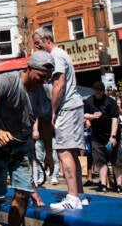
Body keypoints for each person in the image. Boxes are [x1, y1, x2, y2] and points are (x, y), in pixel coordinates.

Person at [0, 50, 54, 226]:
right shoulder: (8, 81)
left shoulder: (45, 92)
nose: (44, 81)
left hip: (22, 146)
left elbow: (45, 123)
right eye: (41, 76)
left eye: (47, 77)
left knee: (24, 192)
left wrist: (50, 153)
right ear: (29, 68)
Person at [32, 27, 85, 210]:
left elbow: (59, 83)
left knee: (63, 151)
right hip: (74, 105)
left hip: (67, 107)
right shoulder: (61, 54)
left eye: (38, 43)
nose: (38, 48)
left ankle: (72, 197)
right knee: (71, 151)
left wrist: (53, 110)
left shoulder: (55, 55)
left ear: (47, 39)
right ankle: (79, 194)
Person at [83, 81, 122, 194]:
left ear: (103, 91)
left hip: (111, 134)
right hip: (97, 136)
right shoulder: (89, 101)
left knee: (116, 161)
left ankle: (119, 185)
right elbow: (84, 114)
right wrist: (92, 116)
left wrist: (113, 136)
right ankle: (103, 184)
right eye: (96, 90)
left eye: (100, 91)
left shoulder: (110, 102)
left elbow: (115, 119)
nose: (97, 93)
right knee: (101, 161)